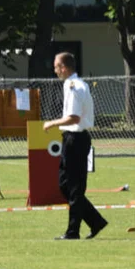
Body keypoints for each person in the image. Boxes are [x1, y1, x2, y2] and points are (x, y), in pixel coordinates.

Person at [43, 52, 108, 240]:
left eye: (56, 67)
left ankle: (73, 231)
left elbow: (74, 117)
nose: (55, 70)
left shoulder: (73, 86)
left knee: (73, 188)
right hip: (73, 138)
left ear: (64, 67)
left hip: (76, 138)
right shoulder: (74, 84)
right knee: (65, 185)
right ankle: (95, 221)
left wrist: (51, 123)